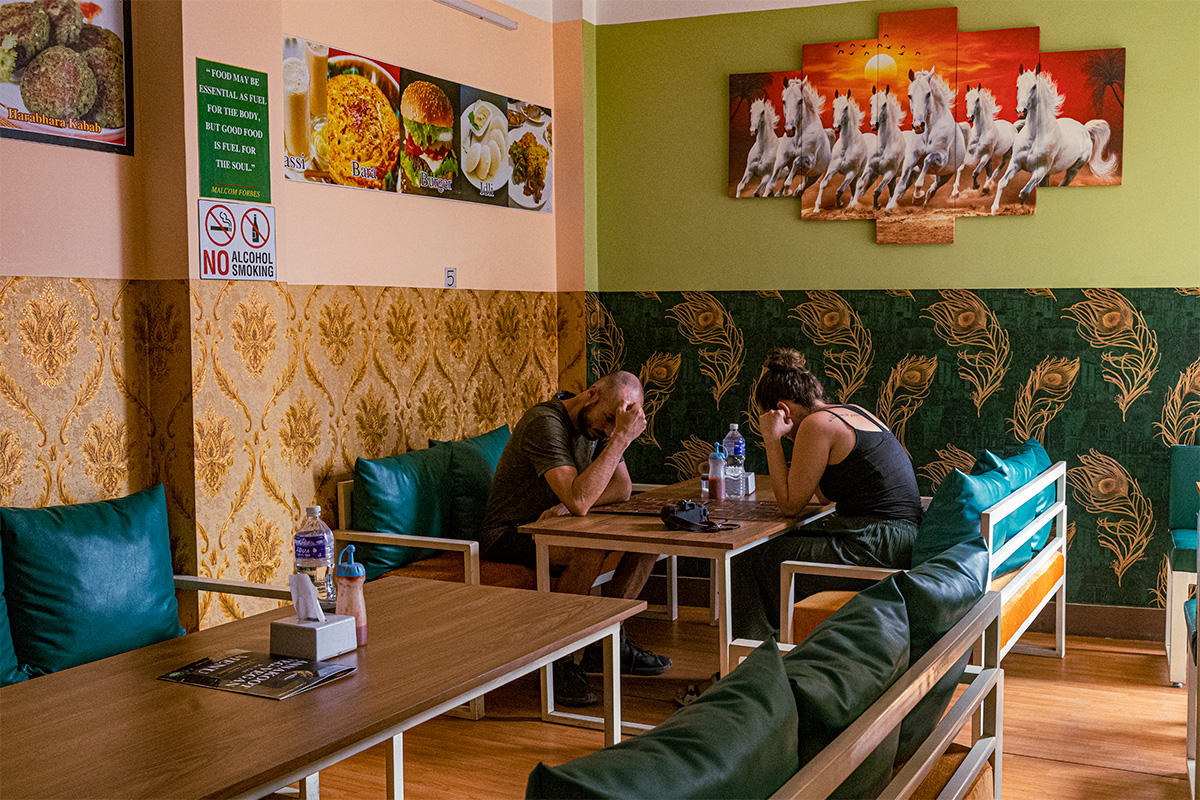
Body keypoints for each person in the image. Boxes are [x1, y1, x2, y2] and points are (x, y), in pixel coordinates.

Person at [479, 371, 672, 706]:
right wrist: (620, 441)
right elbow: (582, 499)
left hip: (557, 525)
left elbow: (620, 489)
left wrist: (566, 505)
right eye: (609, 419)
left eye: (618, 425)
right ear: (592, 394)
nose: (609, 430)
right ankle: (557, 658)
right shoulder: (545, 422)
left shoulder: (597, 425)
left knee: (650, 542)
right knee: (590, 549)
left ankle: (608, 642)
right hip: (509, 532)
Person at [731, 348, 923, 641]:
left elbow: (790, 506)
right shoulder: (851, 412)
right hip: (894, 539)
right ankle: (771, 649)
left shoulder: (816, 425)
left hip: (875, 546)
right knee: (770, 551)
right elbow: (825, 498)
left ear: (782, 410)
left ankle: (747, 662)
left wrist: (772, 439)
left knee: (749, 558)